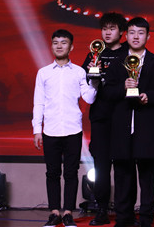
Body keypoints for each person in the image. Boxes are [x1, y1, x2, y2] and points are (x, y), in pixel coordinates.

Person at [103, 17, 154, 227]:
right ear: (126, 35)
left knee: (147, 177)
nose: (136, 37)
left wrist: (150, 96)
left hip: (147, 126)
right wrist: (122, 87)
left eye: (140, 33)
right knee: (123, 175)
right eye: (132, 32)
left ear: (148, 36)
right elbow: (107, 93)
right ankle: (124, 218)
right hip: (121, 128)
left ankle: (146, 218)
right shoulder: (116, 62)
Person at [32, 29, 99, 227]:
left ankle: (68, 212)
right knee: (52, 173)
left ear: (71, 46)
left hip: (73, 129)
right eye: (56, 42)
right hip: (50, 130)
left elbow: (89, 98)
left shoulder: (79, 72)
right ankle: (54, 212)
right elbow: (38, 102)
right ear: (52, 46)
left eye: (63, 42)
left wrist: (95, 80)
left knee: (71, 173)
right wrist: (37, 129)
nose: (59, 46)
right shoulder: (43, 73)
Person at [81, 13, 128, 225]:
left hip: (122, 116)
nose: (107, 33)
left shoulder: (129, 53)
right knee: (101, 167)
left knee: (123, 167)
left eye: (112, 28)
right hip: (100, 118)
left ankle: (124, 211)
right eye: (105, 28)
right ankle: (101, 209)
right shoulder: (94, 52)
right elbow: (85, 83)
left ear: (121, 32)